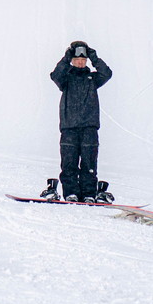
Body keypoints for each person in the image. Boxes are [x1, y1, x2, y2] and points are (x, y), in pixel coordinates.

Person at [45, 40, 112, 202]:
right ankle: (71, 193)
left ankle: (89, 194)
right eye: (77, 60)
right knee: (69, 163)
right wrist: (66, 57)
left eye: (83, 60)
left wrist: (93, 56)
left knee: (89, 164)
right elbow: (55, 75)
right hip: (69, 127)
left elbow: (106, 73)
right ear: (73, 61)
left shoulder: (93, 78)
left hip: (89, 127)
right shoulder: (65, 79)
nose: (81, 63)